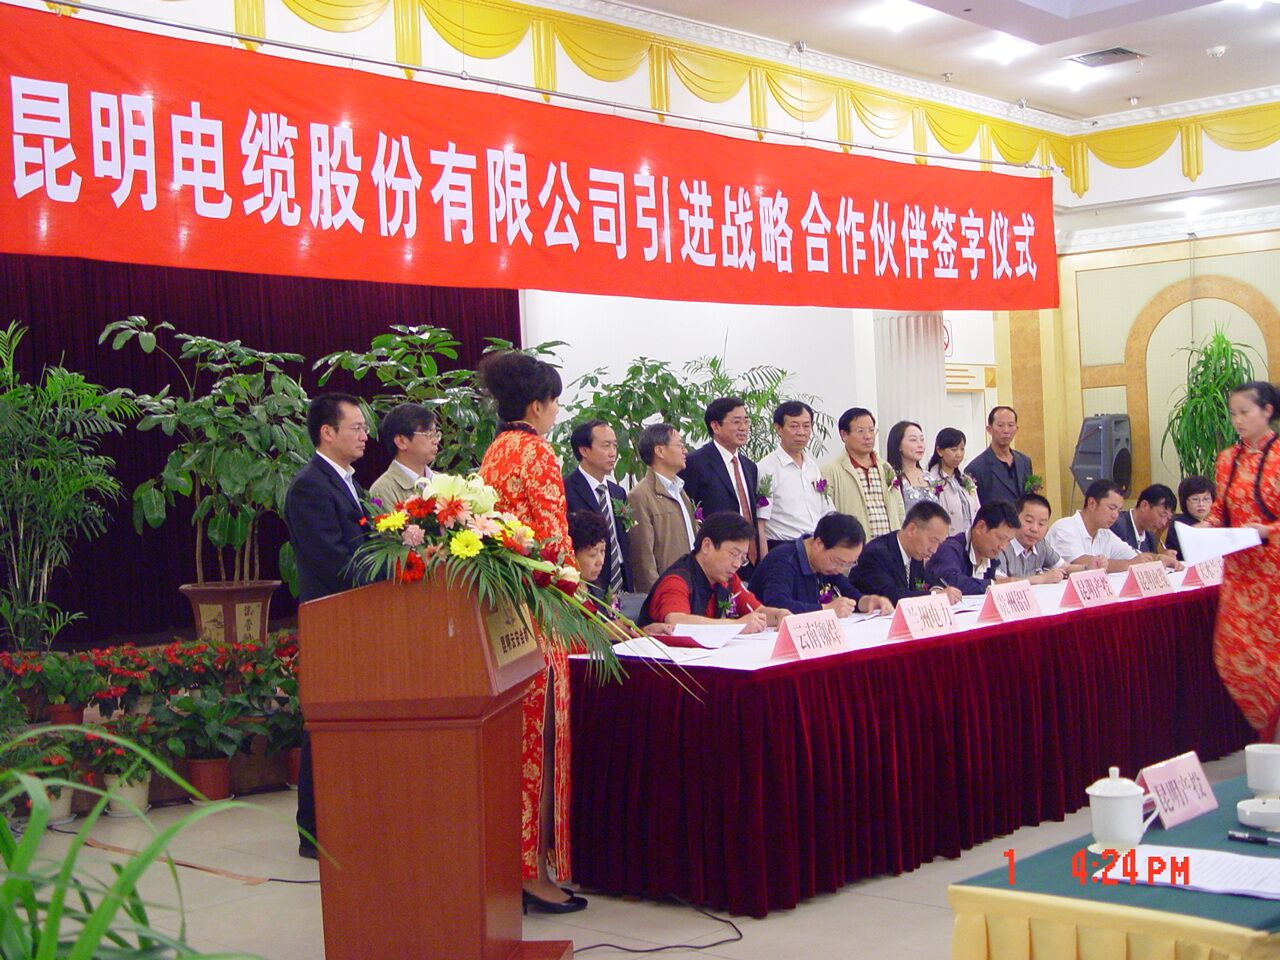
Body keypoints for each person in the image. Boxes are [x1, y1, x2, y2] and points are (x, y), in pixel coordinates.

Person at [475, 351, 586, 914]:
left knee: (515, 748)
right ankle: (532, 871)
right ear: (538, 404)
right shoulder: (537, 451)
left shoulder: (494, 451)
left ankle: (513, 865)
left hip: (506, 615)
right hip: (542, 615)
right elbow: (554, 543)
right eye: (555, 402)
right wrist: (579, 600)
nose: (556, 412)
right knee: (540, 743)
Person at [284, 393, 375, 860]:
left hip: (358, 622)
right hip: (332, 622)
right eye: (356, 427)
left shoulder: (348, 481)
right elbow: (336, 562)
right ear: (327, 432)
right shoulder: (310, 487)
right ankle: (315, 830)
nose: (364, 435)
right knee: (324, 726)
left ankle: (348, 818)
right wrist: (392, 569)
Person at [1202, 381, 1280, 739]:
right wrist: (1207, 525)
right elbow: (1222, 508)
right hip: (1240, 572)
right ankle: (1268, 731)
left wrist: (1267, 530)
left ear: (1267, 411)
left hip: (1274, 573)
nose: (1238, 420)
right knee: (1231, 654)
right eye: (1233, 413)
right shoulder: (1226, 459)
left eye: (1245, 412)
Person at [639, 512, 787, 631]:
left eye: (742, 558)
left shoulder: (728, 578)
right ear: (707, 546)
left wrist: (780, 615)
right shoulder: (677, 580)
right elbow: (676, 622)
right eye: (733, 554)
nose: (737, 564)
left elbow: (758, 611)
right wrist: (737, 626)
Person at [748, 513, 893, 616]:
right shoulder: (783, 560)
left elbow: (846, 591)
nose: (840, 570)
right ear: (818, 544)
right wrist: (826, 609)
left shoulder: (827, 565)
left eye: (849, 564)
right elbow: (777, 605)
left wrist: (866, 601)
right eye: (838, 562)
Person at [680, 397, 761, 573]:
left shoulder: (749, 467)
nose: (743, 428)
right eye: (736, 422)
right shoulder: (694, 463)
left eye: (746, 421)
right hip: (716, 561)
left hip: (750, 560)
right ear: (715, 426)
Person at [1046, 479, 1178, 572]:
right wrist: (1130, 564)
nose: (1115, 515)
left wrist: (1159, 558)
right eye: (1111, 508)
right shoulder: (1064, 528)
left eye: (1119, 510)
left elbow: (1134, 555)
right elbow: (1081, 563)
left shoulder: (1105, 534)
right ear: (1092, 503)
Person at [628, 424, 698, 594]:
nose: (685, 451)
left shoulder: (680, 490)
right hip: (668, 591)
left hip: (691, 584)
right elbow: (643, 557)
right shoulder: (640, 495)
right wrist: (657, 595)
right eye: (679, 445)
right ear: (660, 451)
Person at [564, 419, 631, 598]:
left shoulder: (618, 492)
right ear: (584, 451)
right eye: (606, 446)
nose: (613, 453)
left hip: (623, 582)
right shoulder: (566, 490)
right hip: (590, 584)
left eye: (615, 446)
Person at [849, 500, 962, 605]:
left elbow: (930, 580)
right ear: (912, 529)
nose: (934, 550)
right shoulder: (876, 554)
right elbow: (892, 596)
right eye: (933, 540)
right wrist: (934, 596)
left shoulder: (915, 554)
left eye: (939, 543)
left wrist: (936, 589)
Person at [821, 407, 905, 538]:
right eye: (861, 431)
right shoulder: (830, 471)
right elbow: (826, 512)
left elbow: (899, 507)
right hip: (854, 545)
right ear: (844, 435)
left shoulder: (885, 467)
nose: (868, 436)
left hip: (888, 544)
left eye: (871, 430)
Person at [756, 401, 829, 553]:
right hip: (783, 548)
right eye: (794, 426)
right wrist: (765, 561)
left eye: (806, 426)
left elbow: (826, 510)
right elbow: (760, 523)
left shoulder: (812, 467)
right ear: (778, 428)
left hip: (815, 547)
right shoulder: (767, 468)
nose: (801, 432)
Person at [996, 493, 1099, 583]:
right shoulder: (1001, 545)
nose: (1035, 529)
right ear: (1015, 519)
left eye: (1041, 524)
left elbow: (1066, 567)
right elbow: (999, 582)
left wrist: (1087, 568)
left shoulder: (1041, 544)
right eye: (1029, 521)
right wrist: (1041, 579)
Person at [924, 500, 1019, 594]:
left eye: (1008, 541)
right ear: (980, 527)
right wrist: (993, 584)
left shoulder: (990, 557)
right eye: (1001, 538)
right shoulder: (949, 549)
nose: (1003, 547)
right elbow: (952, 582)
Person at [368, 403, 439, 511]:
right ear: (401, 441)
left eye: (435, 434)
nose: (435, 441)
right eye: (428, 434)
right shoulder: (382, 490)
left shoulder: (443, 481)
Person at [965, 406, 1034, 506]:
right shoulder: (976, 468)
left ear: (1016, 429)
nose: (1006, 430)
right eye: (1000, 425)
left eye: (1010, 425)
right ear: (989, 429)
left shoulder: (1024, 461)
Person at [928, 427, 980, 536]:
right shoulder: (931, 480)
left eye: (962, 449)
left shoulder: (966, 480)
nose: (959, 454)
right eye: (954, 449)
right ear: (939, 451)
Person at [1112, 483, 1177, 558]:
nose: (1164, 523)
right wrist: (1157, 558)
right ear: (1144, 505)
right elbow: (1124, 558)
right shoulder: (1117, 524)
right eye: (1162, 515)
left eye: (1168, 519)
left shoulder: (1151, 538)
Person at [887, 420, 939, 513]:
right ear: (898, 445)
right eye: (913, 440)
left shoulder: (929, 477)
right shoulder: (891, 478)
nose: (920, 445)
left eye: (922, 440)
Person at [1165, 475, 1215, 561]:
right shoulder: (1177, 524)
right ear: (1184, 501)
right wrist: (1193, 531)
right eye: (1195, 499)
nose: (1201, 504)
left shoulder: (1213, 522)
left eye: (1206, 499)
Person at [568, 509, 611, 602]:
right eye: (592, 555)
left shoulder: (598, 591)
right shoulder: (566, 597)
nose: (600, 561)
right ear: (573, 554)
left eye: (602, 551)